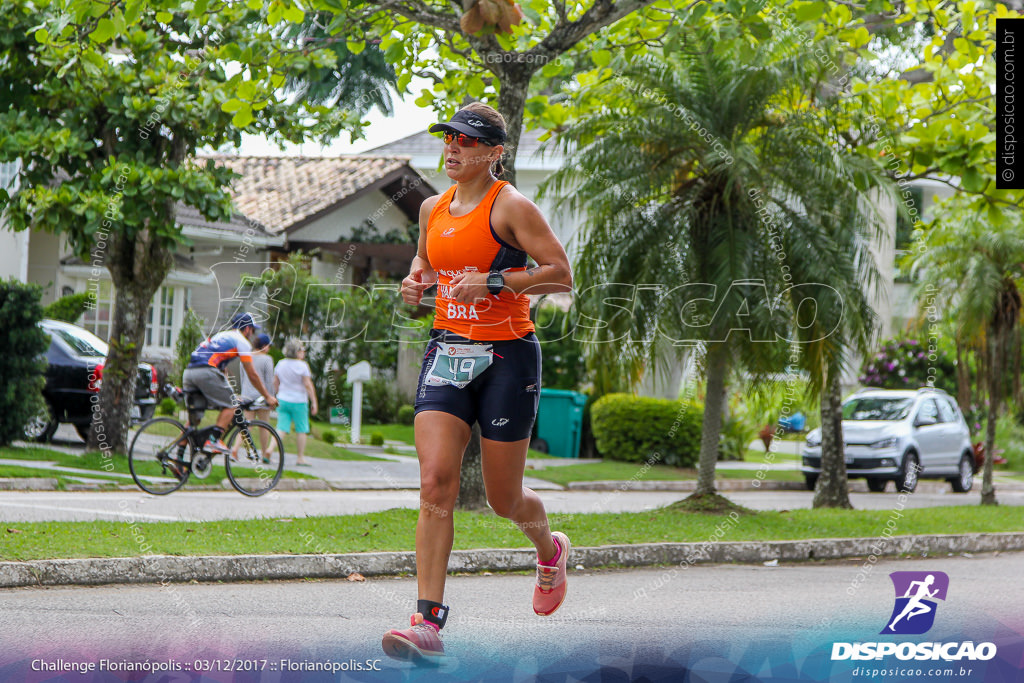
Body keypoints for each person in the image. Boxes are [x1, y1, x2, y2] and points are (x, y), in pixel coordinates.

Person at [381, 102, 574, 663]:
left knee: (503, 498)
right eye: (449, 139)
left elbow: (560, 273)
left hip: (508, 357)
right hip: (447, 350)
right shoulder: (430, 207)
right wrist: (414, 284)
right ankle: (426, 622)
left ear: (494, 153)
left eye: (466, 141)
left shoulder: (510, 205)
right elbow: (424, 264)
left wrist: (492, 282)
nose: (453, 148)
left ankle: (549, 548)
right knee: (436, 482)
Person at [182, 313, 279, 467]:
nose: (252, 334)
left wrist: (228, 388)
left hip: (189, 372)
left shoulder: (221, 335)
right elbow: (252, 374)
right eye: (252, 330)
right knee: (232, 405)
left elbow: (220, 365)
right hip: (206, 372)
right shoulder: (242, 342)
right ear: (247, 329)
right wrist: (267, 396)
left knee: (194, 419)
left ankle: (179, 460)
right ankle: (213, 441)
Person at [230, 333, 275, 463]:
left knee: (246, 426)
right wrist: (270, 397)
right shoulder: (267, 359)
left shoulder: (246, 357)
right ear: (264, 346)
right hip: (262, 396)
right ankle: (265, 453)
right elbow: (269, 380)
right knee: (264, 426)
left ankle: (235, 450)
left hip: (247, 395)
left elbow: (243, 378)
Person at [274, 338, 318, 466]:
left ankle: (269, 450)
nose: (303, 352)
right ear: (297, 351)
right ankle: (300, 457)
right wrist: (314, 401)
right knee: (301, 429)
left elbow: (275, 382)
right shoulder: (302, 366)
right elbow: (308, 385)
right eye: (302, 349)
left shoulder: (281, 364)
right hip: (299, 401)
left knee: (281, 427)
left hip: (282, 399)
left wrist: (274, 395)